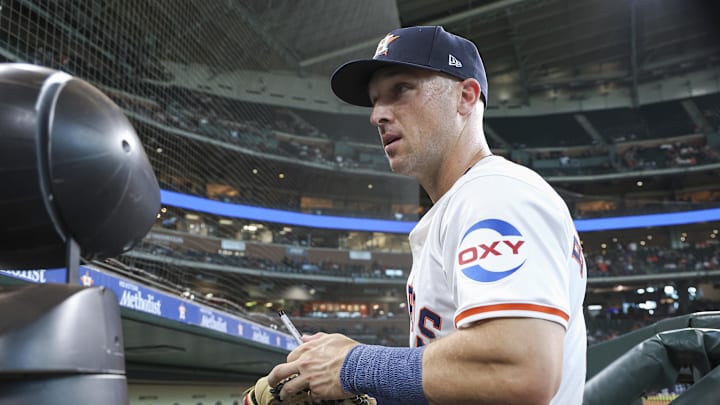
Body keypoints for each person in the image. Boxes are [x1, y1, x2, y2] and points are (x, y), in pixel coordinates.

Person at [267, 25, 587, 405]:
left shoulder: (496, 194)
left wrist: (354, 367)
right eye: (374, 100)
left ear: (465, 97)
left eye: (400, 90)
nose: (377, 115)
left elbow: (522, 368)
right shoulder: (465, 202)